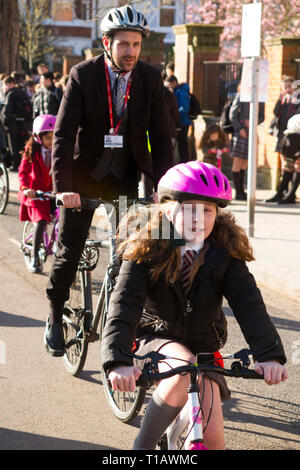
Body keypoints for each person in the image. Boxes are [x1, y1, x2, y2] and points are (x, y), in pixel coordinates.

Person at [101, 161, 287, 450]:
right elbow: (124, 305)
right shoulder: (146, 246)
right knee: (183, 365)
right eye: (188, 208)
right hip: (154, 338)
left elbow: (250, 305)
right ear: (165, 209)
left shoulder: (224, 252)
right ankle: (143, 447)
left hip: (203, 345)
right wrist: (118, 360)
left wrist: (269, 355)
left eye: (208, 210)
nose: (198, 218)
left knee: (213, 439)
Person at [43, 4, 174, 357]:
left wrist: (166, 189)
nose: (131, 51)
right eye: (123, 44)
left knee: (132, 255)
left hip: (124, 179)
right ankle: (55, 314)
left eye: (136, 44)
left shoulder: (149, 78)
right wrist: (63, 188)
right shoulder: (83, 75)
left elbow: (162, 138)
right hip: (82, 179)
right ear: (107, 42)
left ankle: (126, 322)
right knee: (69, 253)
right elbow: (64, 134)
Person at [18, 115, 56, 273]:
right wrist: (25, 188)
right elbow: (23, 172)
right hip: (36, 194)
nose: (51, 141)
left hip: (52, 193)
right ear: (38, 137)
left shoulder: (58, 150)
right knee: (40, 222)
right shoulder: (31, 150)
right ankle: (34, 256)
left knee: (64, 220)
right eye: (48, 138)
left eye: (54, 137)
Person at [265, 76, 300, 203]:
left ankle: (289, 194)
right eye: (285, 87)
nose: (287, 89)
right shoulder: (284, 99)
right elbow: (276, 113)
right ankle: (282, 193)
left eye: (289, 86)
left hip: (296, 136)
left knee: (297, 164)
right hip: (285, 136)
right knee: (287, 165)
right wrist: (279, 100)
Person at [229, 89, 265, 200]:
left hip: (251, 131)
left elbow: (261, 117)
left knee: (245, 163)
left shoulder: (260, 97)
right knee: (237, 163)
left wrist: (253, 122)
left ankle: (242, 192)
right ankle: (238, 192)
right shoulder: (242, 95)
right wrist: (239, 129)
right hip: (241, 133)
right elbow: (232, 115)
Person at [0, 75, 33, 171]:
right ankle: (24, 165)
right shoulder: (22, 93)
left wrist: (5, 124)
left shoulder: (10, 94)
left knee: (13, 147)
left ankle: (16, 166)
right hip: (24, 125)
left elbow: (7, 112)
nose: (4, 87)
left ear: (10, 84)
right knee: (22, 146)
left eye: (6, 84)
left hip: (13, 126)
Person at [273, 114, 300, 204]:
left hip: (294, 141)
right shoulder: (296, 117)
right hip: (291, 142)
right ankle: (281, 193)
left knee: (297, 166)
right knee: (289, 167)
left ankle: (290, 195)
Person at [166, 74, 192, 163]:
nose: (169, 87)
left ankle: (184, 163)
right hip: (178, 121)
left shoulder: (181, 92)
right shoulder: (176, 91)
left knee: (182, 145)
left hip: (182, 122)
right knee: (179, 144)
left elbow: (184, 108)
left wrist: (173, 114)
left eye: (170, 84)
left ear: (174, 83)